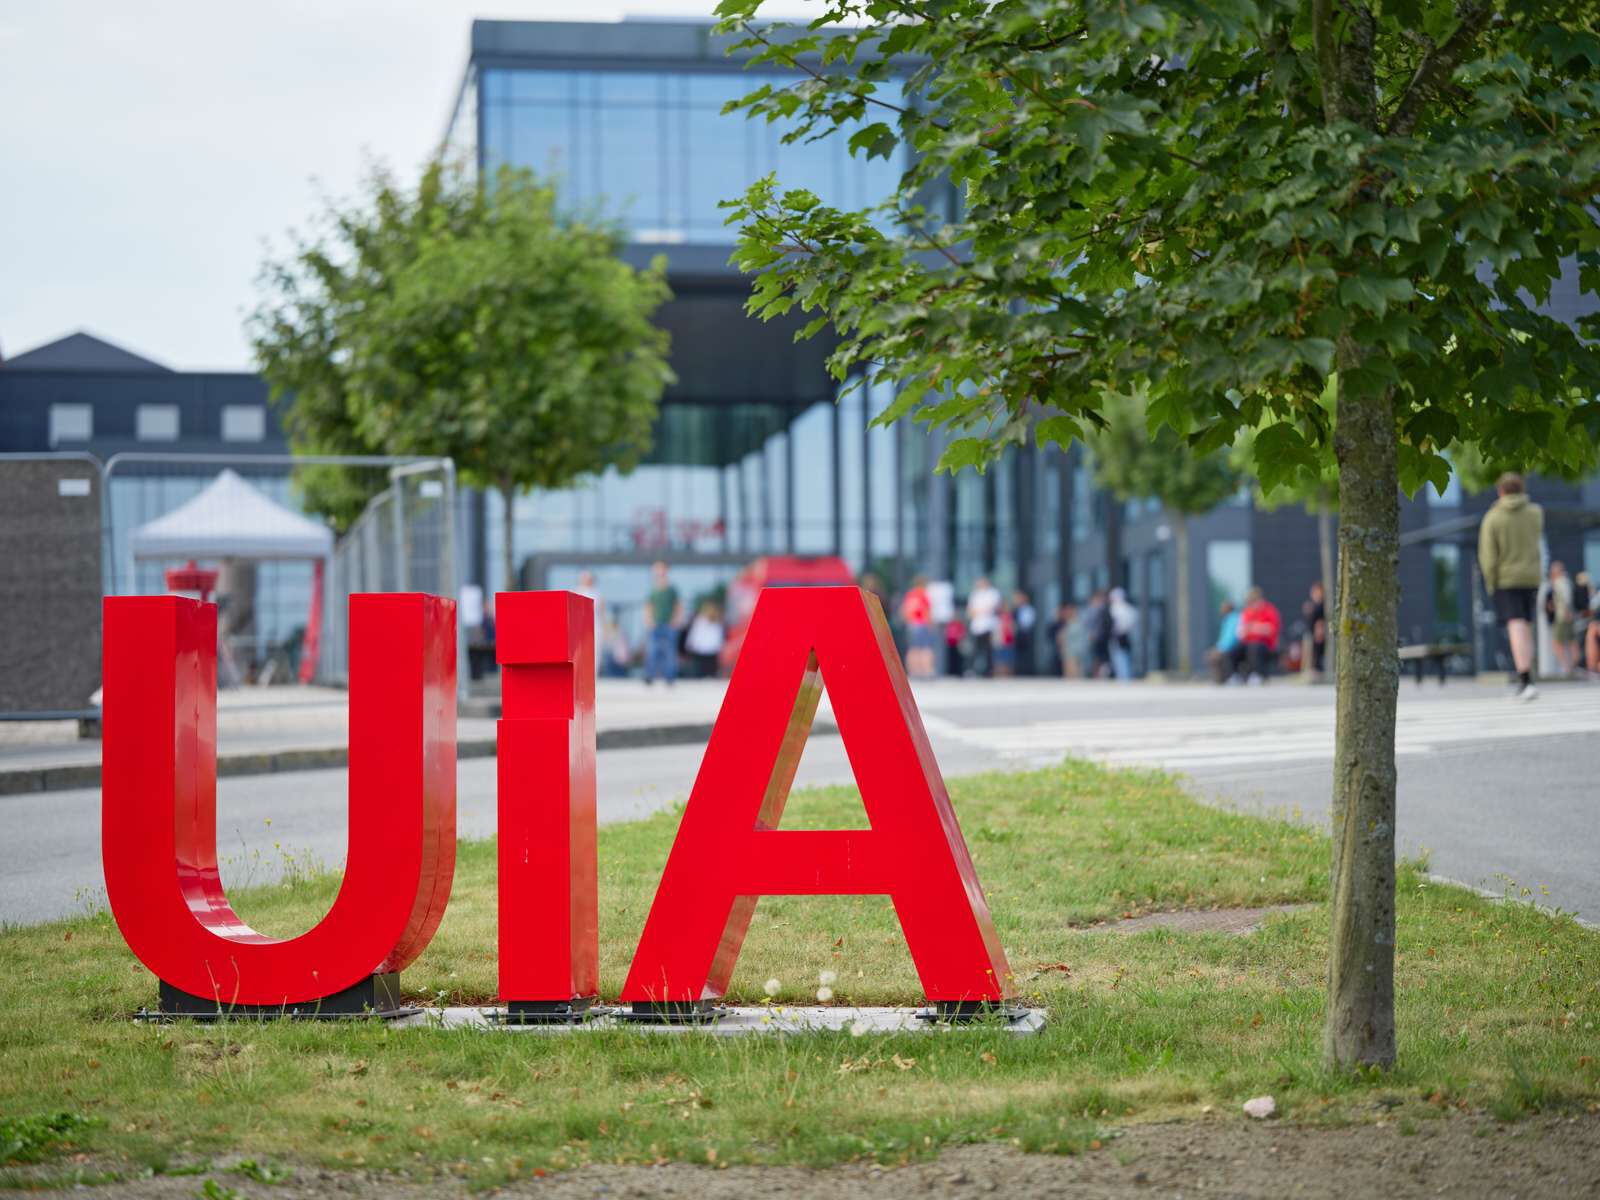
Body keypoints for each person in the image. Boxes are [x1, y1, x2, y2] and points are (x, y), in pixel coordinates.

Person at [1477, 472, 1544, 701]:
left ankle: (1525, 679)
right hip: (1531, 577)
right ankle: (1529, 677)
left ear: (1500, 491)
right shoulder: (1536, 513)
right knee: (1526, 625)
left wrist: (1490, 582)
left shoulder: (1493, 518)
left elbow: (1488, 555)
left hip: (1506, 579)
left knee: (1516, 626)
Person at [642, 560, 683, 685]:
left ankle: (670, 677)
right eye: (656, 569)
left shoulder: (671, 589)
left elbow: (678, 605)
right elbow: (648, 606)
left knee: (670, 651)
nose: (658, 571)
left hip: (669, 624)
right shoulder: (653, 589)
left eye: (660, 569)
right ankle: (650, 675)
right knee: (652, 650)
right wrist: (648, 620)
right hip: (655, 623)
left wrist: (676, 619)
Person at [1235, 587, 1282, 684]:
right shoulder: (1247, 612)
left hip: (1266, 645)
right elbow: (1240, 632)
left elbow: (1270, 630)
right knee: (1235, 649)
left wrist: (1253, 628)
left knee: (1254, 647)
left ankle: (1258, 674)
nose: (1252, 604)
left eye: (1254, 601)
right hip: (1248, 643)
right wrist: (1249, 629)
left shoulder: (1269, 611)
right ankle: (1235, 675)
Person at [900, 575, 937, 679]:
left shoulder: (910, 595)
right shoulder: (923, 595)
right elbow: (926, 611)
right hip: (922, 623)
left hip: (912, 624)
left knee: (913, 649)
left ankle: (913, 671)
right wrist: (930, 624)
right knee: (926, 648)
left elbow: (904, 611)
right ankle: (927, 671)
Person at [966, 576, 1002, 677]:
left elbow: (991, 608)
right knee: (974, 650)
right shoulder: (975, 594)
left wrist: (979, 611)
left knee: (988, 650)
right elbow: (970, 611)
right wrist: (980, 611)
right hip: (977, 627)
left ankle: (989, 671)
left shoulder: (993, 593)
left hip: (989, 626)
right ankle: (972, 670)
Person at [684, 600, 725, 679]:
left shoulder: (716, 622)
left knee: (707, 675)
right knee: (702, 675)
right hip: (702, 652)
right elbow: (694, 635)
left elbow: (719, 638)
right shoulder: (700, 621)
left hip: (708, 652)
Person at [1108, 587, 1138, 681]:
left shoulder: (1116, 608)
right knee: (1123, 656)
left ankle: (1123, 677)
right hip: (1124, 635)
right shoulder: (1129, 609)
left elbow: (1116, 624)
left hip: (1119, 636)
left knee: (1120, 657)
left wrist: (1119, 629)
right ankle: (1125, 676)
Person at [1207, 600, 1241, 684]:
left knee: (1216, 655)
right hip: (1226, 647)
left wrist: (1221, 649)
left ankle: (1227, 677)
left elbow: (1232, 638)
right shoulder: (1226, 620)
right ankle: (1219, 678)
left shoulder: (1234, 619)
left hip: (1234, 647)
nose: (1221, 610)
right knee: (1212, 655)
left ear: (1228, 609)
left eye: (1223, 608)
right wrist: (1218, 648)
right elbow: (1223, 638)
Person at [1083, 590, 1112, 679]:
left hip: (1100, 637)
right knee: (1097, 657)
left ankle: (1098, 675)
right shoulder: (1095, 609)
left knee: (1099, 657)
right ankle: (1096, 675)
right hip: (1096, 637)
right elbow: (1088, 623)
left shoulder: (1101, 609)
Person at [1302, 581, 1328, 677]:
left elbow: (1321, 618)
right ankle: (1311, 668)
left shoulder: (1323, 605)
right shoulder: (1314, 604)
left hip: (1318, 632)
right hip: (1311, 632)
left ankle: (1317, 669)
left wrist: (1320, 628)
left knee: (1317, 649)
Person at [1010, 590, 1037, 675]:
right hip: (1016, 635)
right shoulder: (1014, 610)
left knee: (1025, 655)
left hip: (1024, 635)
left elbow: (1027, 623)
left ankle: (1025, 672)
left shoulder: (1028, 609)